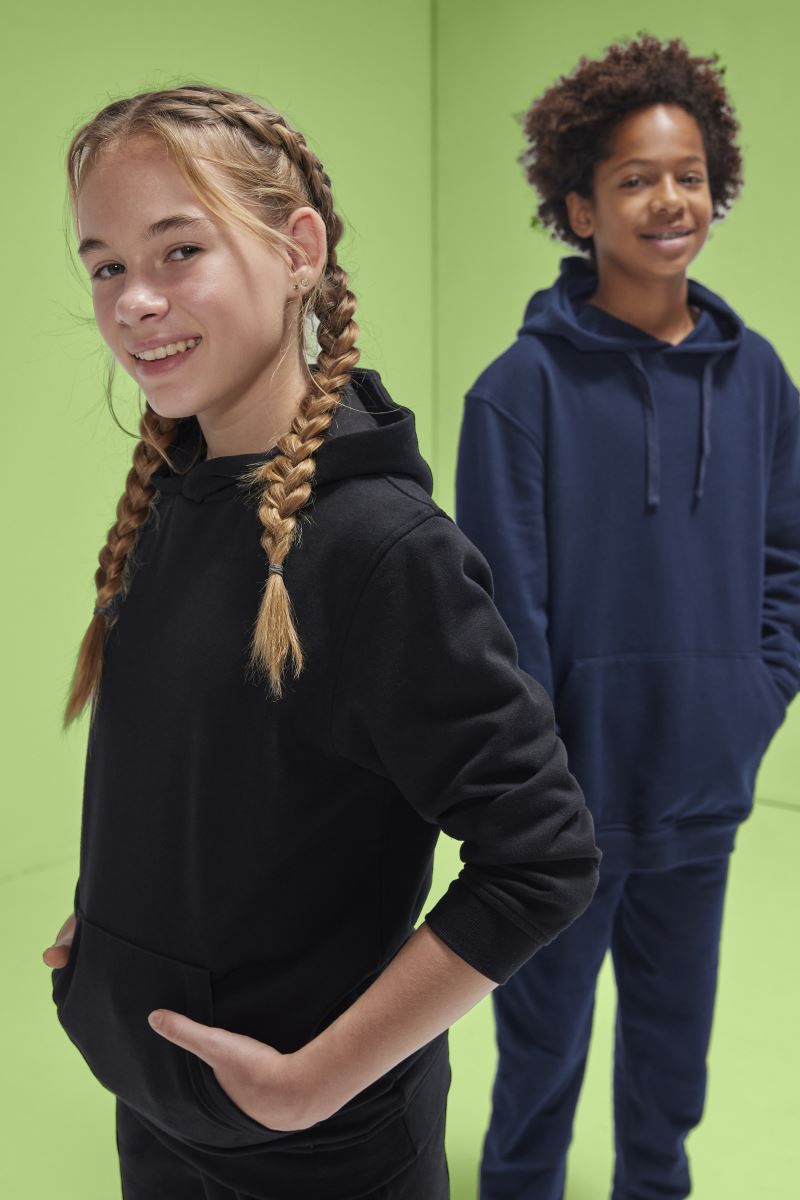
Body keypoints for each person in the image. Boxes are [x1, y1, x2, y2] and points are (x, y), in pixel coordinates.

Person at [40, 83, 600, 1200]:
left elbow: (542, 858)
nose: (135, 300)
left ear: (298, 251)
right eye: (105, 265)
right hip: (157, 1107)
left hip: (317, 1154)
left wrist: (310, 1085)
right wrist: (115, 928)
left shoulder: (386, 553)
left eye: (179, 250)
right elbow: (209, 773)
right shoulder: (173, 497)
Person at [455, 34, 800, 1200]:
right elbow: (501, 617)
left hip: (701, 785)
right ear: (578, 207)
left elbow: (786, 559)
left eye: (687, 175)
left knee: (669, 1066)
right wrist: (538, 790)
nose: (668, 200)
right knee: (537, 1061)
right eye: (635, 179)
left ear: (716, 187)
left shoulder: (758, 380)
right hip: (563, 813)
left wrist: (751, 697)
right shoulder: (517, 392)